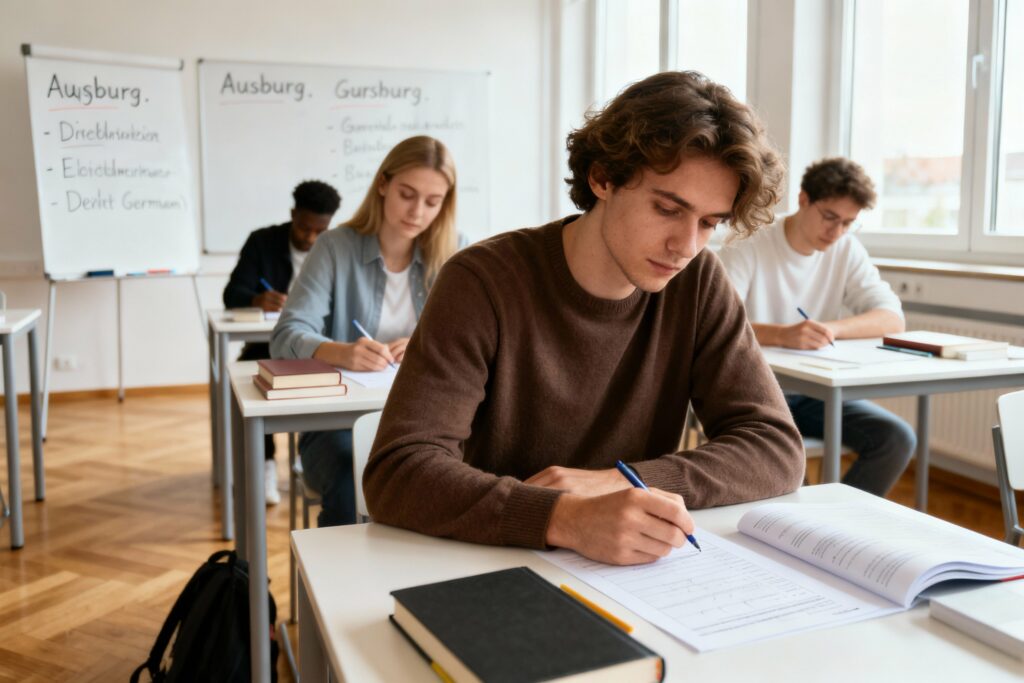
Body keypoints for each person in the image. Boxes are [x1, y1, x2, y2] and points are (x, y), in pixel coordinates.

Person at [363, 71, 805, 567]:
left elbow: (776, 449)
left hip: (627, 573)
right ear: (603, 178)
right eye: (666, 208)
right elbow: (399, 472)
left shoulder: (699, 281)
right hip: (483, 559)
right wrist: (567, 517)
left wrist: (622, 480)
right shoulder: (481, 281)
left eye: (709, 223)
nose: (686, 246)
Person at [270, 135, 461, 526]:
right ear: (382, 184)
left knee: (464, 479)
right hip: (337, 425)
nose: (418, 212)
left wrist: (428, 348)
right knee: (351, 473)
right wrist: (338, 351)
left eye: (432, 201)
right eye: (407, 194)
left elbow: (474, 346)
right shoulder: (334, 247)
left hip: (425, 423)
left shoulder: (455, 253)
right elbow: (286, 334)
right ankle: (342, 584)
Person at [719, 157, 915, 496]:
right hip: (754, 389)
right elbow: (716, 322)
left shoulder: (845, 249)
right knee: (785, 463)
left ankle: (836, 526)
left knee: (896, 439)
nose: (836, 232)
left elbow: (892, 318)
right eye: (830, 217)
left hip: (815, 391)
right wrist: (782, 334)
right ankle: (802, 528)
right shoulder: (750, 240)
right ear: (803, 199)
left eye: (848, 223)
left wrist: (831, 329)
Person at [223, 179, 341, 505]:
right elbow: (231, 295)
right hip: (268, 344)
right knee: (252, 378)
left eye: (320, 230)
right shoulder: (262, 242)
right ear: (293, 215)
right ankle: (264, 464)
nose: (310, 238)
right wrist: (257, 298)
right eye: (304, 227)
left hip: (322, 344)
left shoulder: (335, 247)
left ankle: (312, 452)